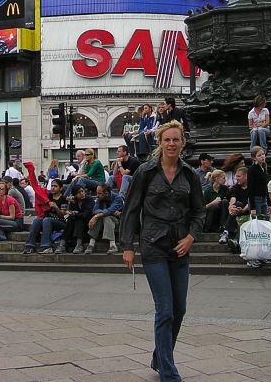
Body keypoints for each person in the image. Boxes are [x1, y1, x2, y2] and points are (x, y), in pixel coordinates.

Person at [120, 121, 204, 382]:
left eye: (175, 140)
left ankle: (159, 356)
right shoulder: (145, 172)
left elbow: (199, 212)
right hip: (153, 245)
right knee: (165, 309)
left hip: (180, 248)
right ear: (160, 142)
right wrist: (128, 246)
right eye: (166, 140)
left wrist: (191, 237)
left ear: (182, 143)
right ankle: (168, 370)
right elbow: (131, 209)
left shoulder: (190, 174)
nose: (171, 144)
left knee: (179, 310)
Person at [23, 179, 67, 254]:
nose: (53, 188)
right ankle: (29, 246)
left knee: (47, 220)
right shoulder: (48, 197)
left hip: (60, 222)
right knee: (37, 220)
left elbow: (62, 215)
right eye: (52, 186)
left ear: (60, 188)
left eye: (55, 186)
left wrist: (56, 207)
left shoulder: (63, 199)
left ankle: (46, 246)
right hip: (46, 221)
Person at [86, 184, 123, 254]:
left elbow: (110, 210)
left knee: (105, 217)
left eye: (99, 193)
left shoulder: (117, 198)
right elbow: (94, 210)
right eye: (97, 193)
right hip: (103, 221)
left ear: (106, 193)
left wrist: (96, 216)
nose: (97, 195)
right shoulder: (100, 198)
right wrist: (101, 214)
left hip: (118, 221)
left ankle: (113, 245)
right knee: (102, 216)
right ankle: (91, 244)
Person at [57, 185, 94, 254]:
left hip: (87, 226)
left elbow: (87, 214)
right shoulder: (74, 201)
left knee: (79, 219)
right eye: (79, 192)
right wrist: (72, 212)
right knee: (71, 219)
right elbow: (72, 212)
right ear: (75, 195)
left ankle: (79, 245)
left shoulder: (89, 199)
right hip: (74, 227)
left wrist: (75, 213)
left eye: (82, 191)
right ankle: (62, 244)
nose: (82, 193)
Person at [247, 147, 268, 218]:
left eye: (263, 154)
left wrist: (269, 202)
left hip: (264, 198)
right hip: (256, 199)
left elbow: (265, 186)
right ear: (254, 158)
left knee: (264, 220)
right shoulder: (252, 169)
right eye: (259, 155)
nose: (262, 156)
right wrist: (252, 207)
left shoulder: (264, 168)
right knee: (257, 220)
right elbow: (250, 188)